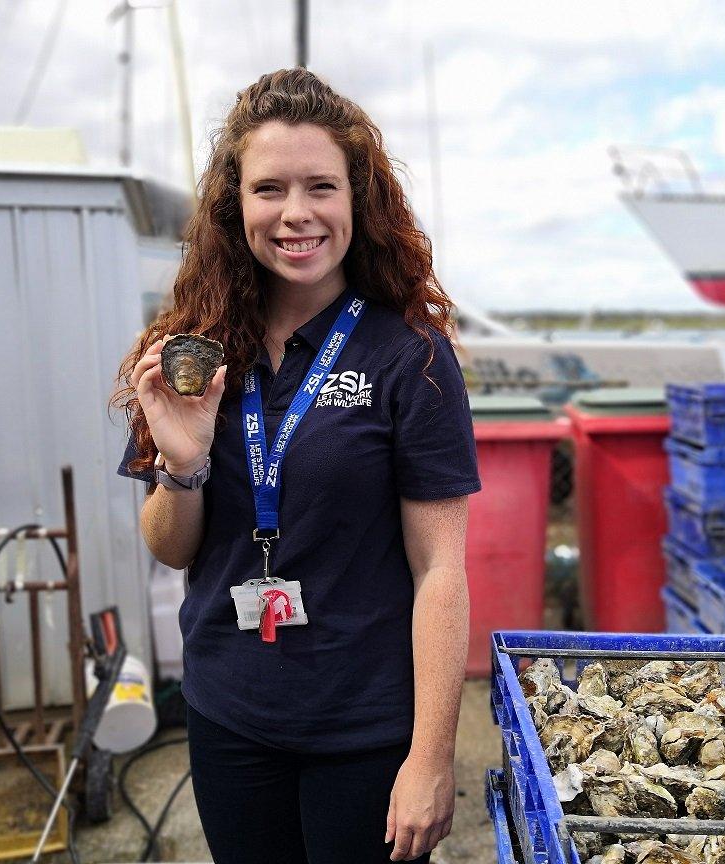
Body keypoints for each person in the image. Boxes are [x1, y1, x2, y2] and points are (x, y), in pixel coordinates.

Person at [113, 68, 480, 864]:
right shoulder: (193, 348)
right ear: (234, 205)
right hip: (230, 718)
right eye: (269, 188)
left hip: (367, 729)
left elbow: (441, 571)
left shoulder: (408, 358)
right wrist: (183, 465)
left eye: (321, 186)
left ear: (358, 201)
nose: (296, 213)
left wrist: (430, 757)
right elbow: (171, 546)